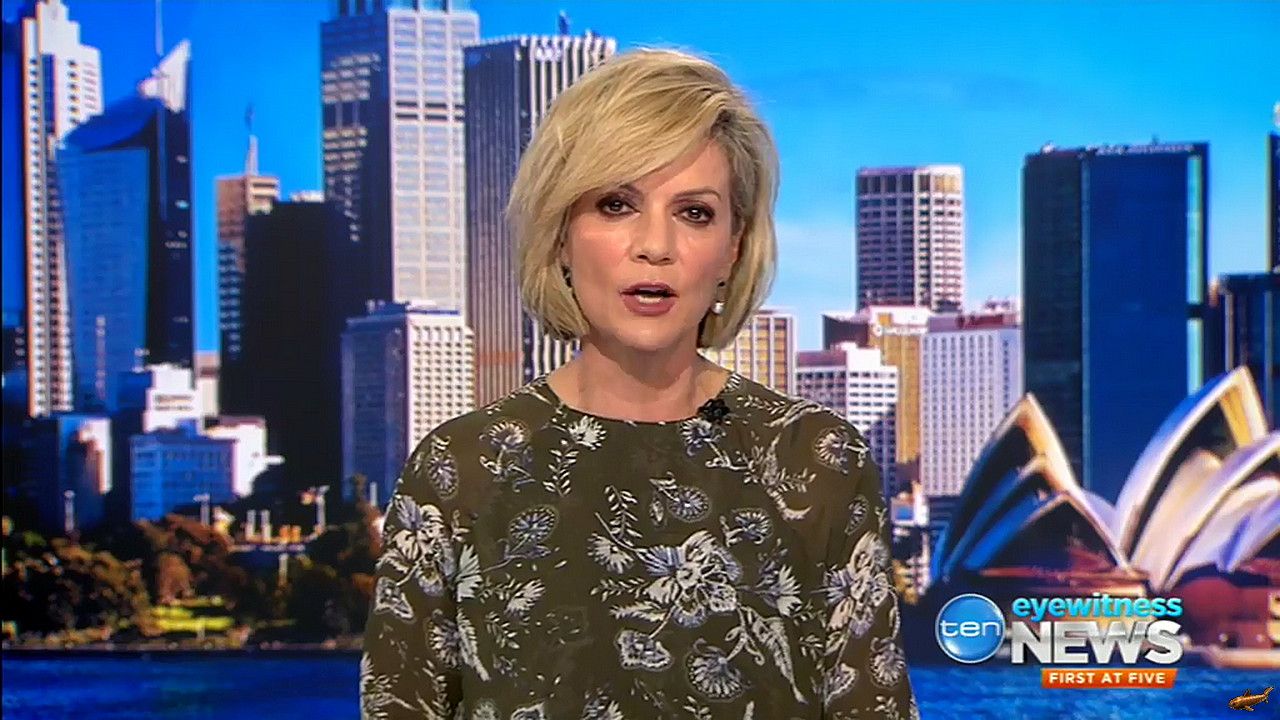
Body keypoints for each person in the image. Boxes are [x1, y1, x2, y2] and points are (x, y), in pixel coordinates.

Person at [360, 48, 918, 720]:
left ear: (733, 247)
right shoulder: (463, 467)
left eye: (695, 213)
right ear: (561, 235)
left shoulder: (816, 461)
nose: (655, 245)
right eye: (617, 204)